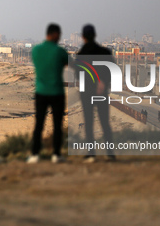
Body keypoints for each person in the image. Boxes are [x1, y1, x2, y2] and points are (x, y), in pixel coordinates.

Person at [27, 23, 68, 164]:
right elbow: (67, 63)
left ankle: (35, 154)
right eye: (59, 35)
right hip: (57, 92)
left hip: (41, 92)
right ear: (55, 34)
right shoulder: (60, 51)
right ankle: (56, 154)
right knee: (57, 125)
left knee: (39, 124)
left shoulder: (36, 50)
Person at [74, 24, 116, 163]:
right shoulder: (105, 52)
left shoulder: (81, 55)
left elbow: (79, 75)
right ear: (94, 35)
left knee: (89, 123)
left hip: (87, 93)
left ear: (83, 37)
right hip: (101, 92)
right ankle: (110, 154)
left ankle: (91, 154)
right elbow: (112, 71)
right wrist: (103, 83)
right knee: (105, 122)